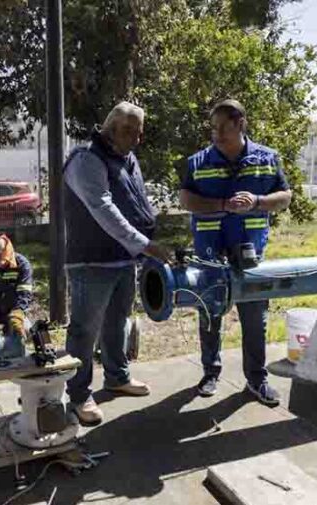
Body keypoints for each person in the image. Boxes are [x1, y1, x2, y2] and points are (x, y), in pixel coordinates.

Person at [63, 101, 171, 426]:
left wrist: (142, 242)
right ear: (112, 129)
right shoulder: (86, 160)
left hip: (123, 260)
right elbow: (102, 208)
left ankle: (117, 377)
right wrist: (146, 245)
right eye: (131, 132)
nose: (138, 139)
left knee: (117, 322)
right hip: (91, 261)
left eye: (140, 133)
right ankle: (79, 395)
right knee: (84, 330)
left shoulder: (127, 158)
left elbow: (136, 199)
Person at [180, 99, 292, 406]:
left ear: (240, 124)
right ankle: (210, 372)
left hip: (251, 254)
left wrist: (257, 201)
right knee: (209, 311)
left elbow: (285, 197)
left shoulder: (268, 158)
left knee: (255, 315)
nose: (216, 134)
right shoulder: (198, 162)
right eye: (212, 128)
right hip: (209, 253)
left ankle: (257, 379)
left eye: (223, 128)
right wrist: (220, 206)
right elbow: (186, 199)